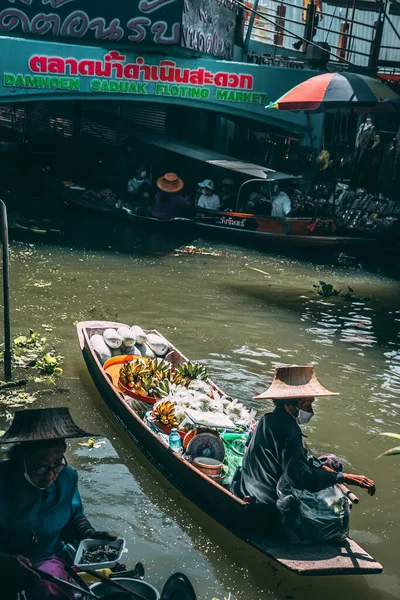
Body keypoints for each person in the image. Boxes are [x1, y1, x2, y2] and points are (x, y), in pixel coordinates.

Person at [232, 366, 375, 536]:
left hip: (250, 490)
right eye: (306, 405)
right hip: (270, 506)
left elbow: (296, 457)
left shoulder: (267, 420)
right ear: (289, 405)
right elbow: (299, 478)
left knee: (328, 463)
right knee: (334, 470)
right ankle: (337, 517)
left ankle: (334, 503)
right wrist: (343, 477)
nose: (310, 411)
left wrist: (322, 468)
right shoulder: (290, 430)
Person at [0, 407, 117, 600]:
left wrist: (89, 535)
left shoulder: (67, 478)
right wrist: (4, 560)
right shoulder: (3, 480)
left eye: (57, 463)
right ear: (22, 458)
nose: (51, 473)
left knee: (51, 589)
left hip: (45, 556)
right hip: (5, 562)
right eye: (43, 464)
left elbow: (74, 518)